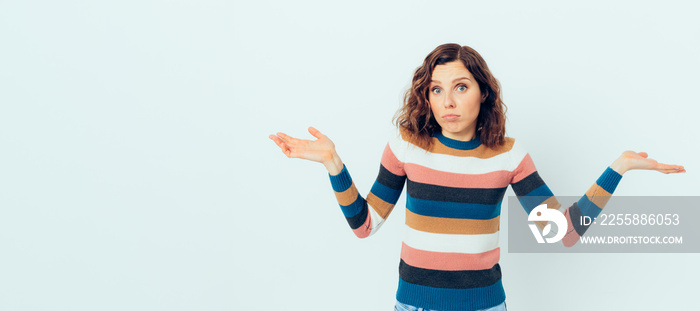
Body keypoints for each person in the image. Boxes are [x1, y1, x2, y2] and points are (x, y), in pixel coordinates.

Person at [268, 43, 685, 311]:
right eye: (436, 89)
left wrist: (619, 169)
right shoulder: (406, 146)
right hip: (414, 306)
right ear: (426, 96)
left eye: (461, 87)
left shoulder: (510, 154)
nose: (447, 101)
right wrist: (333, 164)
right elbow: (364, 225)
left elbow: (563, 233)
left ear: (483, 91)